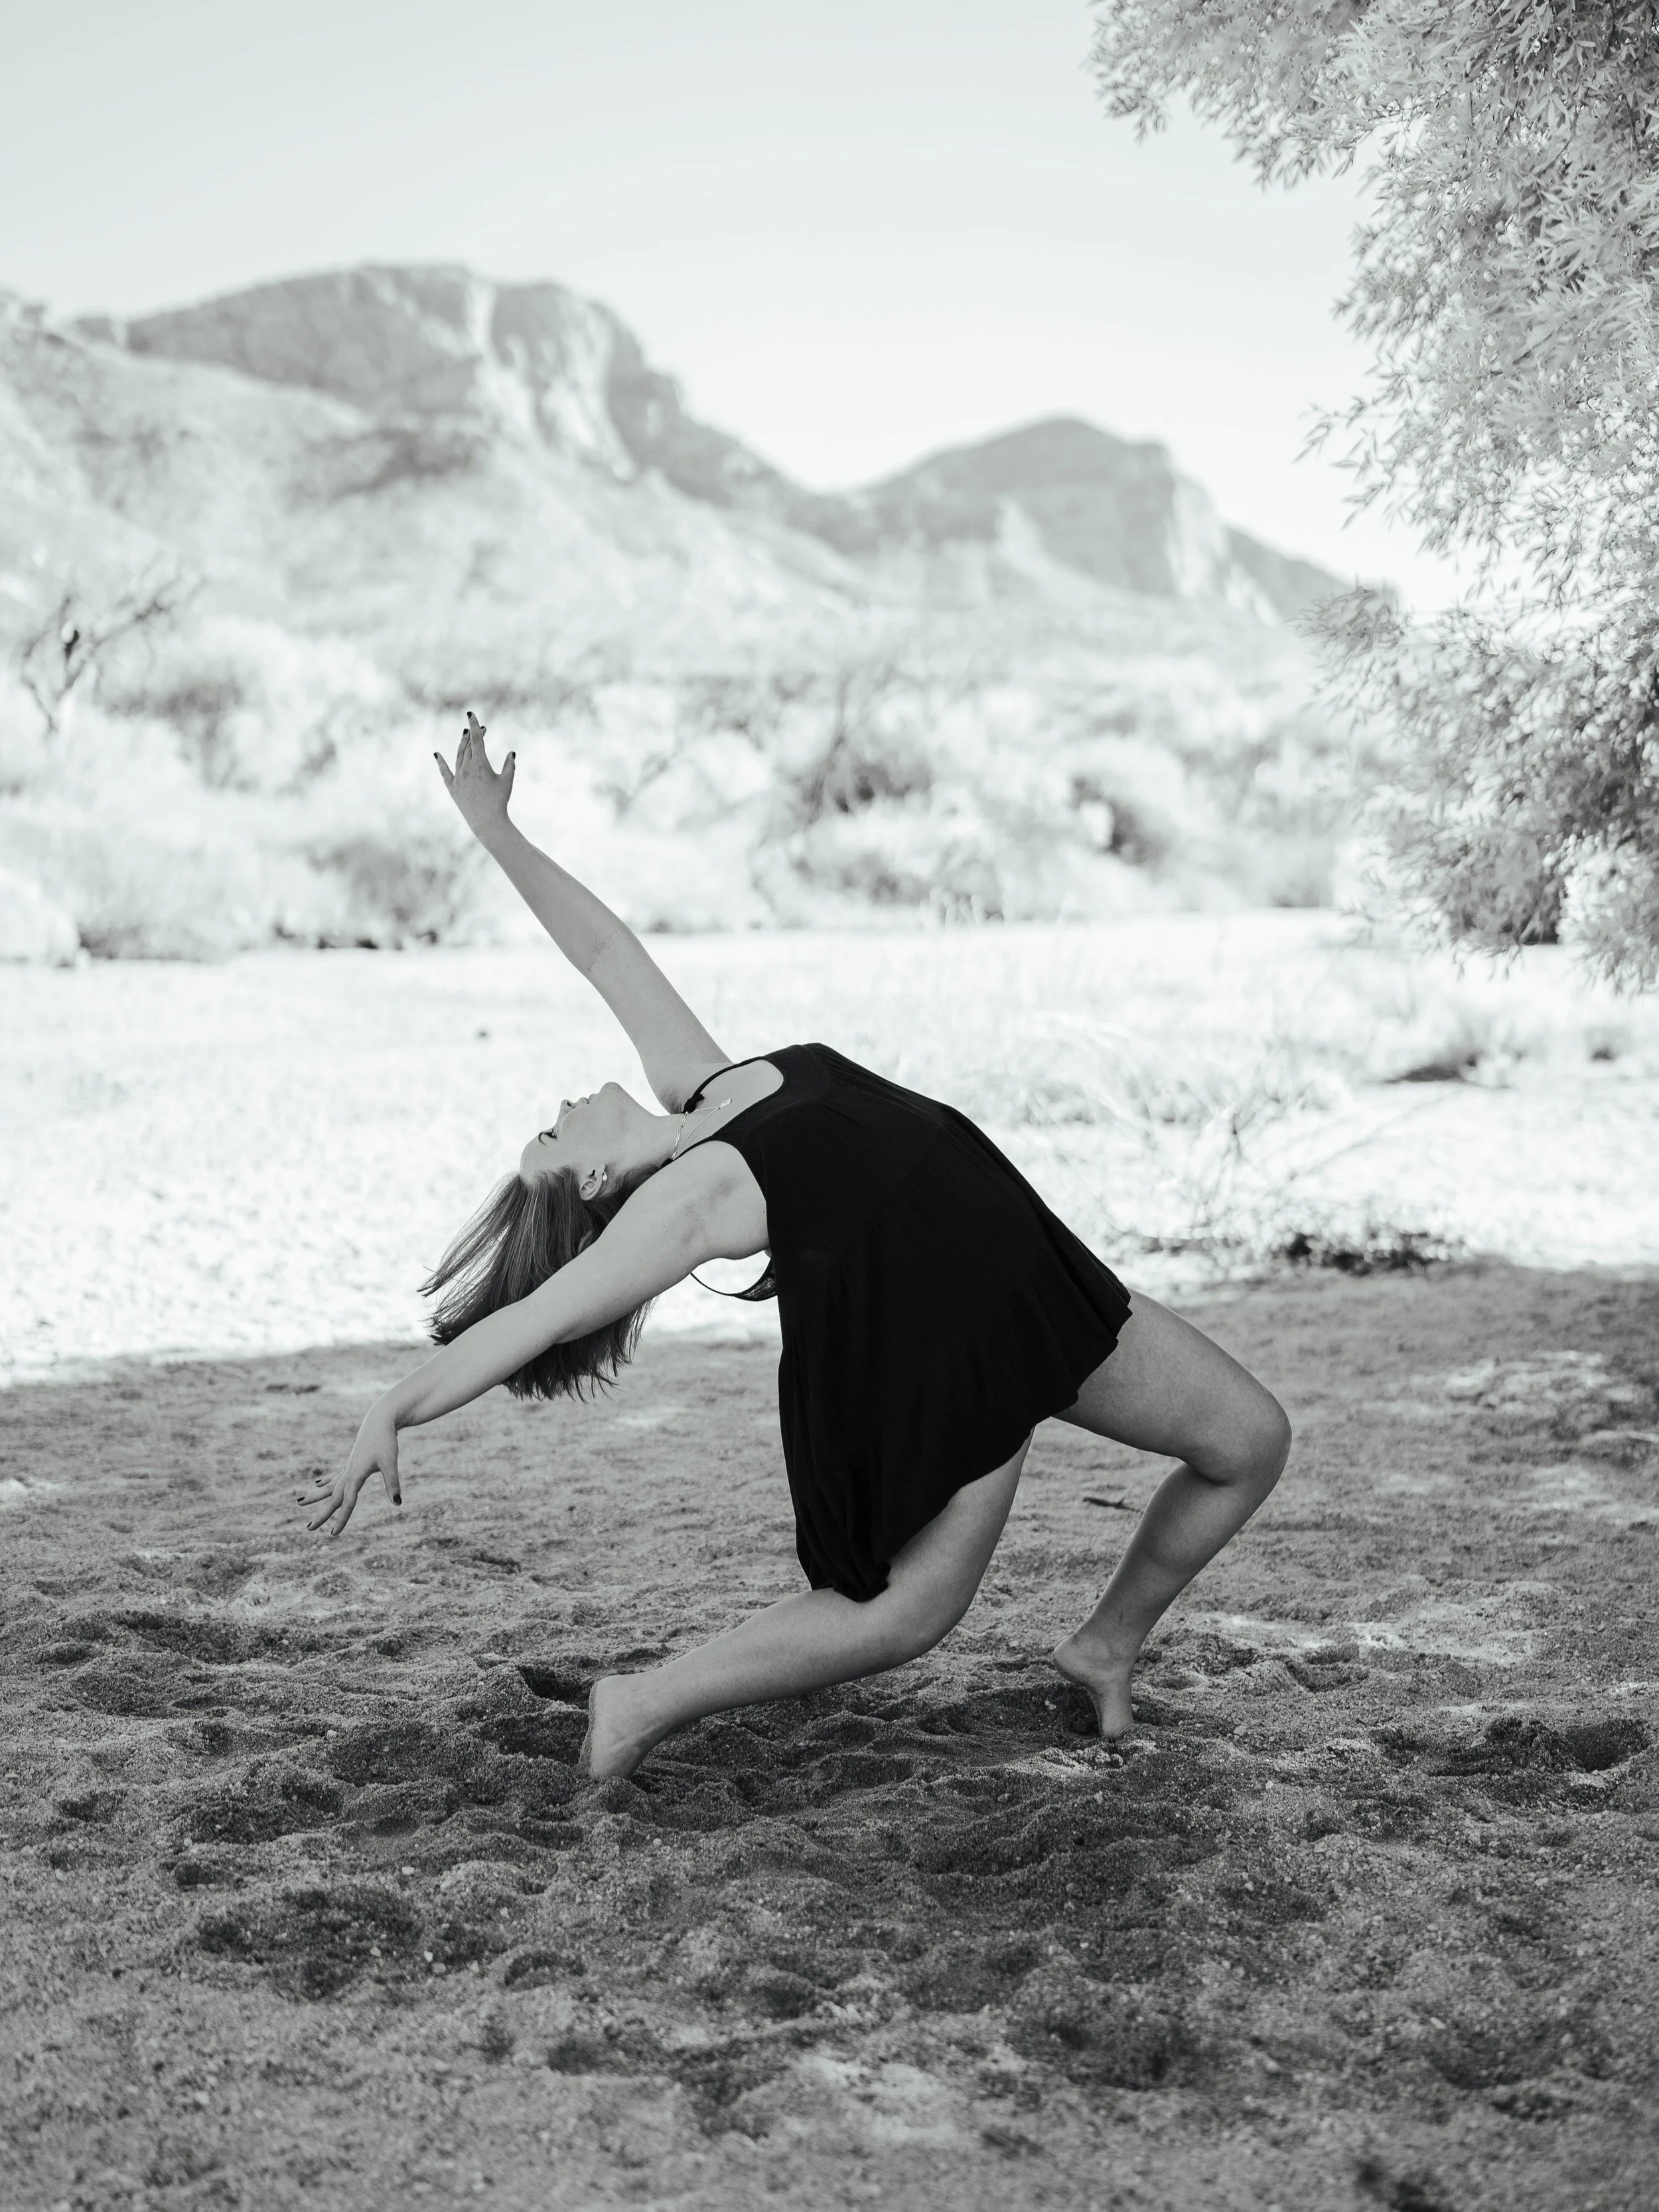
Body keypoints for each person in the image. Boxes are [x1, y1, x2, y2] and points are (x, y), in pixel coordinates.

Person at [303, 713, 1292, 1779]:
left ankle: (1104, 1647)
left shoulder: (710, 1092)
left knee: (1247, 1442)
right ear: (591, 1183)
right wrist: (396, 1403)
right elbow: (546, 1313)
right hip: (947, 1348)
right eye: (551, 1134)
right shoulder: (690, 1199)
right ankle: (638, 1703)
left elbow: (603, 952)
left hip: (1034, 1283)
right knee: (908, 1614)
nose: (558, 1104)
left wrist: (495, 832)